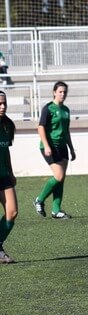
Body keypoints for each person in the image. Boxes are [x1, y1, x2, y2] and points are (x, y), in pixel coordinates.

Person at [33, 81, 75, 219]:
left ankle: (56, 211)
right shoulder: (48, 108)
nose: (63, 94)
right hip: (50, 147)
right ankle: (39, 200)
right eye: (60, 91)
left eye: (65, 92)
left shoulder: (66, 110)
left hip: (63, 148)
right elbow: (41, 127)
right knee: (58, 176)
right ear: (54, 92)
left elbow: (67, 131)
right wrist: (46, 145)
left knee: (61, 179)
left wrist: (72, 149)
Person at [0, 91, 17, 263]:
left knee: (12, 212)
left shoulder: (8, 125)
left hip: (4, 175)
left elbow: (6, 151)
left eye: (4, 103)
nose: (3, 106)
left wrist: (11, 173)